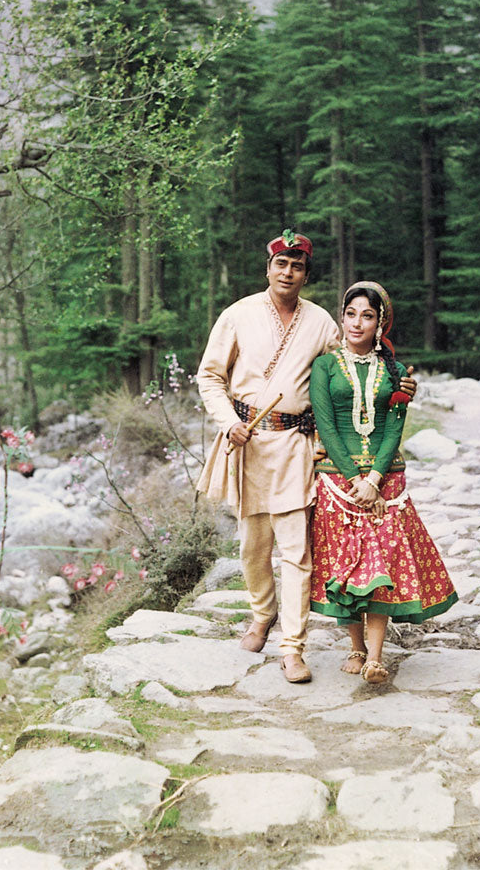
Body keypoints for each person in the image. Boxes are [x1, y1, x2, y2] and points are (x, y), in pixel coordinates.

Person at [196, 233, 416, 684]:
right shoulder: (237, 314)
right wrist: (226, 421)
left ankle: (293, 647)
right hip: (248, 443)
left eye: (297, 265)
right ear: (269, 267)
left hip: (297, 443)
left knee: (297, 551)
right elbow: (210, 376)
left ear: (306, 274)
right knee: (253, 546)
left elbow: (358, 360)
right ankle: (262, 614)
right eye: (281, 263)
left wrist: (400, 385)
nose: (287, 272)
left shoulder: (320, 322)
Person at [309, 281, 457, 684]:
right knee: (347, 566)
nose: (357, 323)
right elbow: (326, 424)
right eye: (351, 314)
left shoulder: (395, 372)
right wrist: (355, 478)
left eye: (368, 316)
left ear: (380, 324)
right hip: (338, 482)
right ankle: (355, 646)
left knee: (380, 563)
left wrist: (373, 478)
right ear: (342, 318)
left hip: (385, 481)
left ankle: (375, 657)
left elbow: (395, 427)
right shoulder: (323, 366)